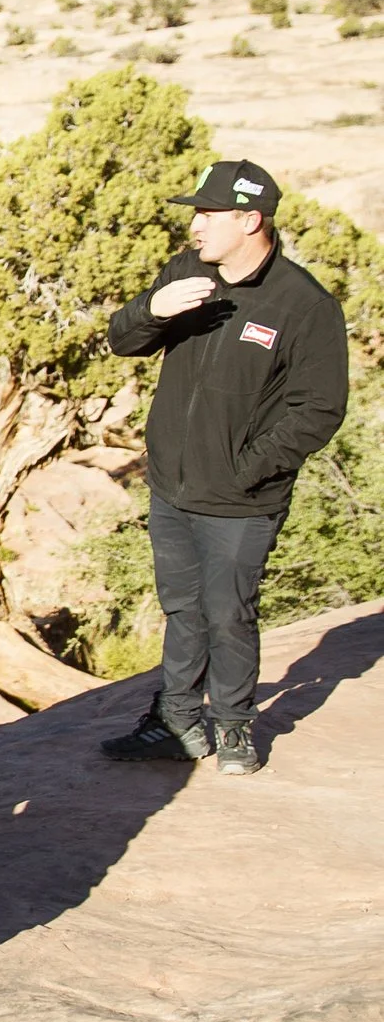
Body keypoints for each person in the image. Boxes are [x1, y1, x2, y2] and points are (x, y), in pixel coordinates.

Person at [99, 156, 348, 777]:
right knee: (182, 608)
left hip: (242, 496)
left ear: (250, 219)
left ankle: (234, 725)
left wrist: (248, 468)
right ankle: (177, 721)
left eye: (209, 214)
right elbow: (122, 340)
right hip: (172, 486)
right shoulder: (187, 272)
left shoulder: (304, 304)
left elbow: (319, 408)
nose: (197, 225)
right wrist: (155, 308)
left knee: (228, 613)